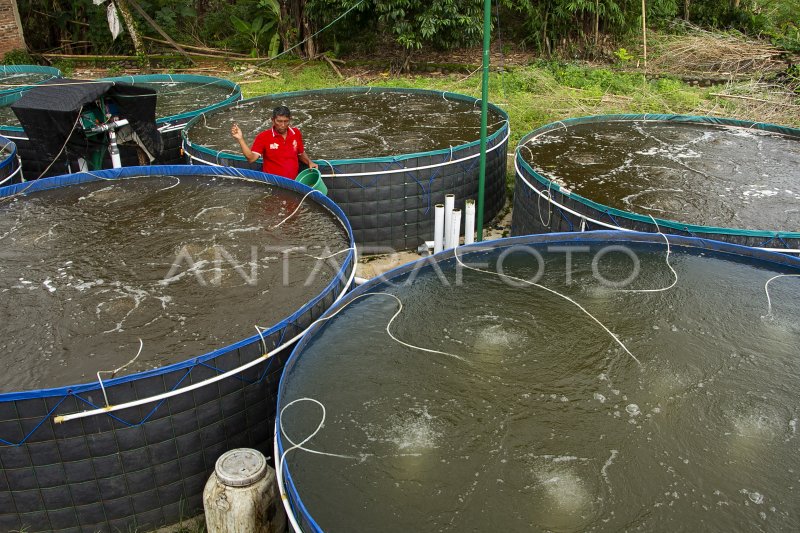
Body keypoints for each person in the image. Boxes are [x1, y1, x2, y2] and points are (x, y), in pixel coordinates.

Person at [230, 105, 318, 179]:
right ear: (273, 120)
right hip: (273, 184)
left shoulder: (296, 133)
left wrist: (309, 162)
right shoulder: (263, 137)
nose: (283, 125)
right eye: (279, 121)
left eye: (286, 121)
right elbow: (251, 158)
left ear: (290, 120)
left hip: (294, 183)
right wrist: (240, 139)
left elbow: (300, 153)